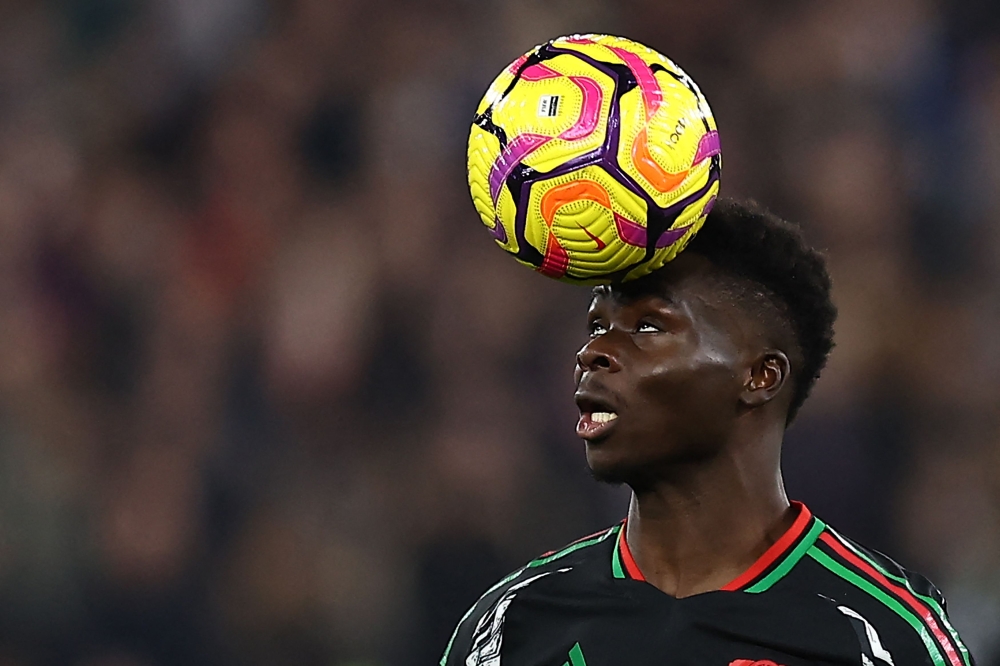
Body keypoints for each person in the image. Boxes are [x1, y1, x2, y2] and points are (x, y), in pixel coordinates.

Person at [440, 199, 973, 666]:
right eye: (597, 327)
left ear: (759, 377)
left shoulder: (882, 636)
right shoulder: (513, 626)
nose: (593, 353)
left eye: (648, 327)